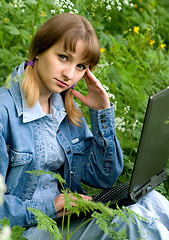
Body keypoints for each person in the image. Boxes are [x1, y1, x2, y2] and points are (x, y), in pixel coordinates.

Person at [0, 13, 169, 240]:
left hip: (67, 220)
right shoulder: (5, 111)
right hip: (28, 229)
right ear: (39, 50)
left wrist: (102, 113)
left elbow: (102, 177)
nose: (69, 74)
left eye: (80, 66)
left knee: (152, 200)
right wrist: (51, 206)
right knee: (132, 221)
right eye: (63, 57)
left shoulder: (64, 108)